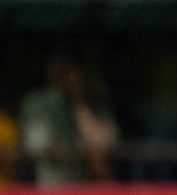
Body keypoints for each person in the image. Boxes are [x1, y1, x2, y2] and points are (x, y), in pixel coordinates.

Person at [18, 51, 117, 186]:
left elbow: (103, 143)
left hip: (88, 184)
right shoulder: (37, 103)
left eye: (69, 71)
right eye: (59, 71)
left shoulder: (93, 102)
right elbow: (36, 145)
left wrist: (78, 100)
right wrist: (78, 153)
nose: (65, 76)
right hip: (52, 184)